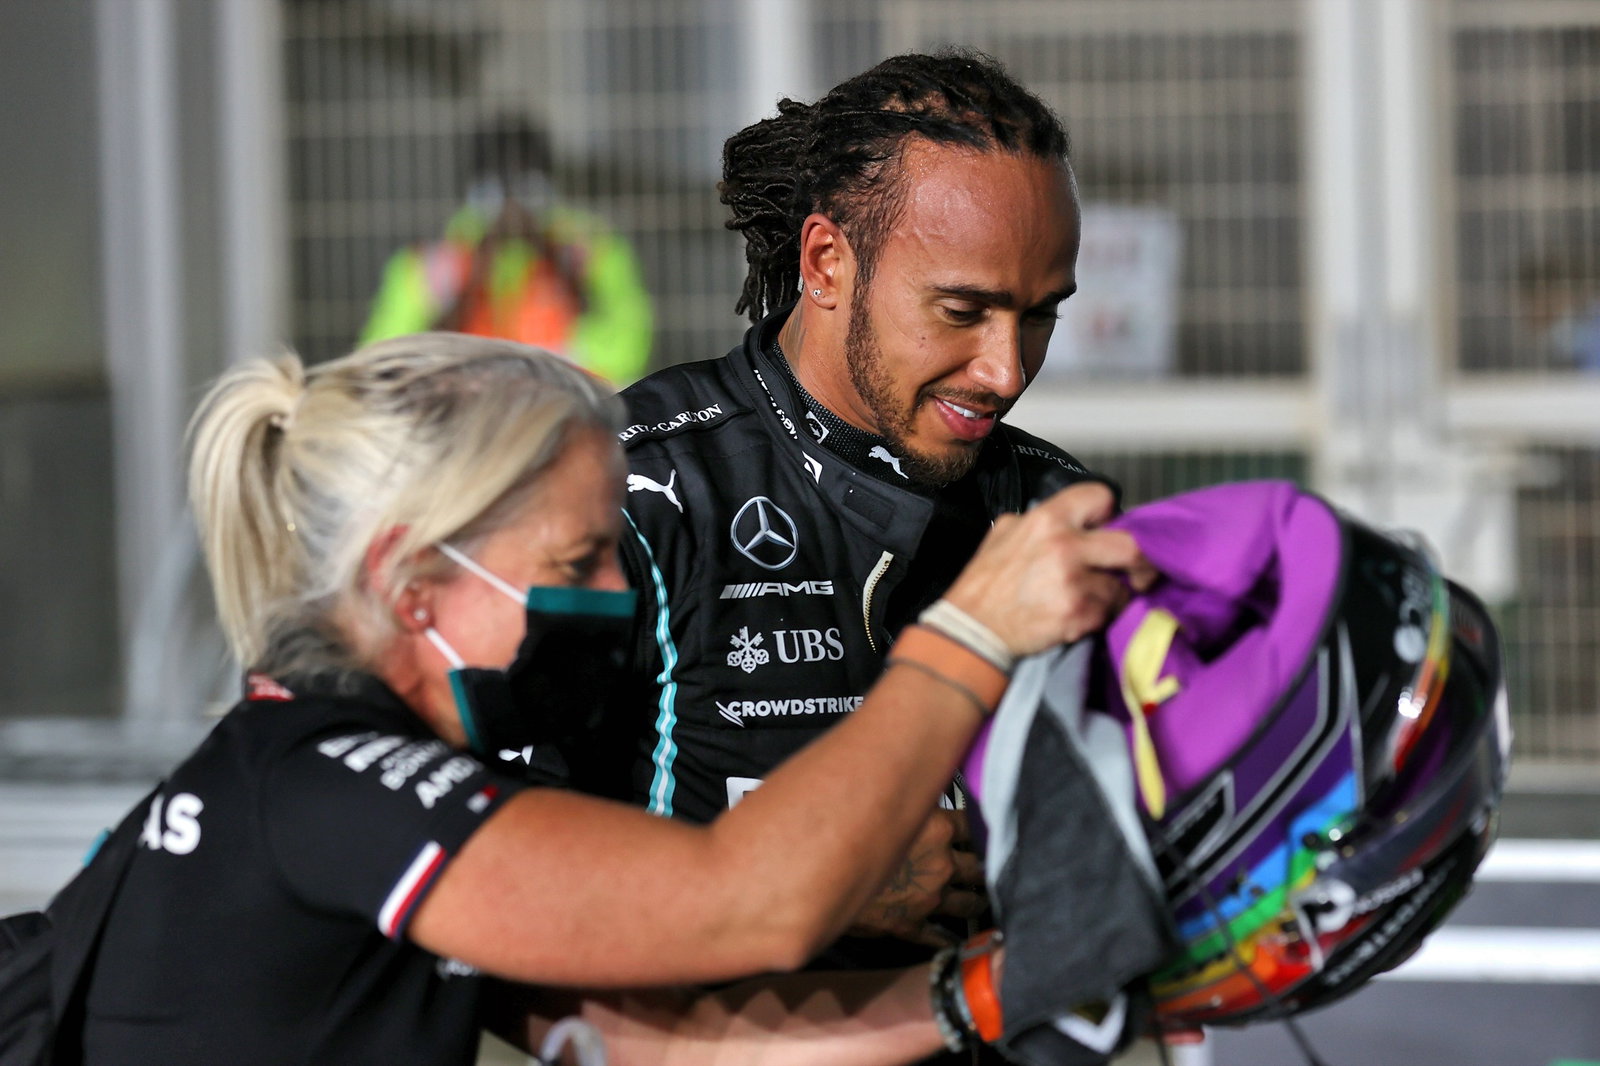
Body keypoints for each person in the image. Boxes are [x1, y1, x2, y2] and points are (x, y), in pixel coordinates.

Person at [65, 333, 1149, 1065]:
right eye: (582, 558)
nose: (617, 598)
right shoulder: (330, 789)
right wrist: (974, 631)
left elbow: (666, 1049)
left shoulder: (366, 794)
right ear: (414, 581)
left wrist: (992, 990)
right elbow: (749, 895)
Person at [609, 49, 1104, 962]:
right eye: (963, 310)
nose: (1007, 370)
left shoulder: (1057, 513)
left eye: (1041, 317)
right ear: (828, 263)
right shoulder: (626, 493)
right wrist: (794, 883)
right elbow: (476, 877)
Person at [361, 117, 653, 385]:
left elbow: (627, 355)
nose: (512, 204)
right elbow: (386, 365)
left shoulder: (591, 249)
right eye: (498, 188)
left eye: (526, 186)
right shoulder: (432, 263)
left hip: (569, 417)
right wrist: (474, 276)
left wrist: (555, 262)